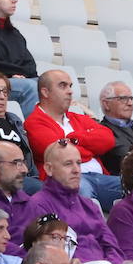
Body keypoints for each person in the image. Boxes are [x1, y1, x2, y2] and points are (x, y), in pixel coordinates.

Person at [20, 141, 124, 264]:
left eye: (79, 163)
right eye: (68, 164)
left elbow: (112, 245)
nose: (76, 170)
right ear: (49, 169)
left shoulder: (89, 205)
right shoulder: (38, 204)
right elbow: (42, 251)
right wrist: (71, 263)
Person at [23, 70, 121, 210]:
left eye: (70, 86)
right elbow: (59, 154)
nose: (70, 91)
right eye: (63, 86)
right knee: (79, 193)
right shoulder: (34, 123)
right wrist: (90, 148)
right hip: (68, 180)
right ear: (45, 92)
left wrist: (73, 139)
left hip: (103, 178)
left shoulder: (77, 118)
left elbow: (108, 139)